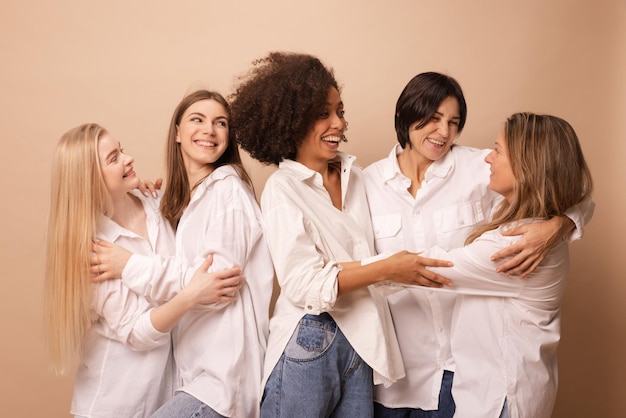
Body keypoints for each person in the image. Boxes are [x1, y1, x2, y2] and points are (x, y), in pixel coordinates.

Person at [228, 51, 454, 418]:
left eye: (340, 111)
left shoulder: (358, 175)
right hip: (310, 336)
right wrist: (387, 269)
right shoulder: (283, 189)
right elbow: (302, 284)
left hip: (362, 342)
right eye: (323, 114)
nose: (339, 123)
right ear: (291, 121)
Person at [363, 72, 594, 418]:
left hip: (464, 374)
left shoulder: (482, 168)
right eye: (433, 119)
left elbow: (568, 188)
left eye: (454, 122)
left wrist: (559, 226)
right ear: (404, 116)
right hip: (398, 376)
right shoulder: (366, 184)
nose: (444, 132)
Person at [93, 90, 275, 418]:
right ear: (177, 132)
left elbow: (214, 285)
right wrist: (149, 193)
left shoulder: (227, 193)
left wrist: (130, 265)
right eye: (198, 119)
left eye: (220, 123)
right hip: (195, 379)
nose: (210, 129)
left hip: (222, 383)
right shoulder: (185, 202)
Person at [44, 123, 244, 418]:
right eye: (113, 158)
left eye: (121, 149)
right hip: (112, 406)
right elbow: (137, 332)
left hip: (164, 399)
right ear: (89, 180)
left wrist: (131, 265)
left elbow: (185, 260)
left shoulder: (156, 203)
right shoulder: (92, 253)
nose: (128, 158)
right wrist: (190, 297)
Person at [416, 112, 592, 417]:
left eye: (497, 150)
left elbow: (425, 267)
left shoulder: (515, 244)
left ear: (527, 167)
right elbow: (583, 200)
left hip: (500, 400)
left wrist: (342, 271)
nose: (488, 159)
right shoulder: (539, 227)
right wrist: (563, 223)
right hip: (505, 394)